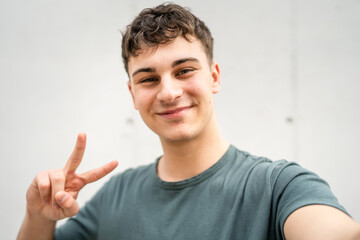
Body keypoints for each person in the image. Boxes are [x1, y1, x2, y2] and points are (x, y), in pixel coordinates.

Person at [17, 3, 360, 240]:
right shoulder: (116, 196)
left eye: (184, 71)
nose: (168, 92)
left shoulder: (279, 186)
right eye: (149, 79)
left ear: (214, 77)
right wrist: (38, 217)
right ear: (132, 93)